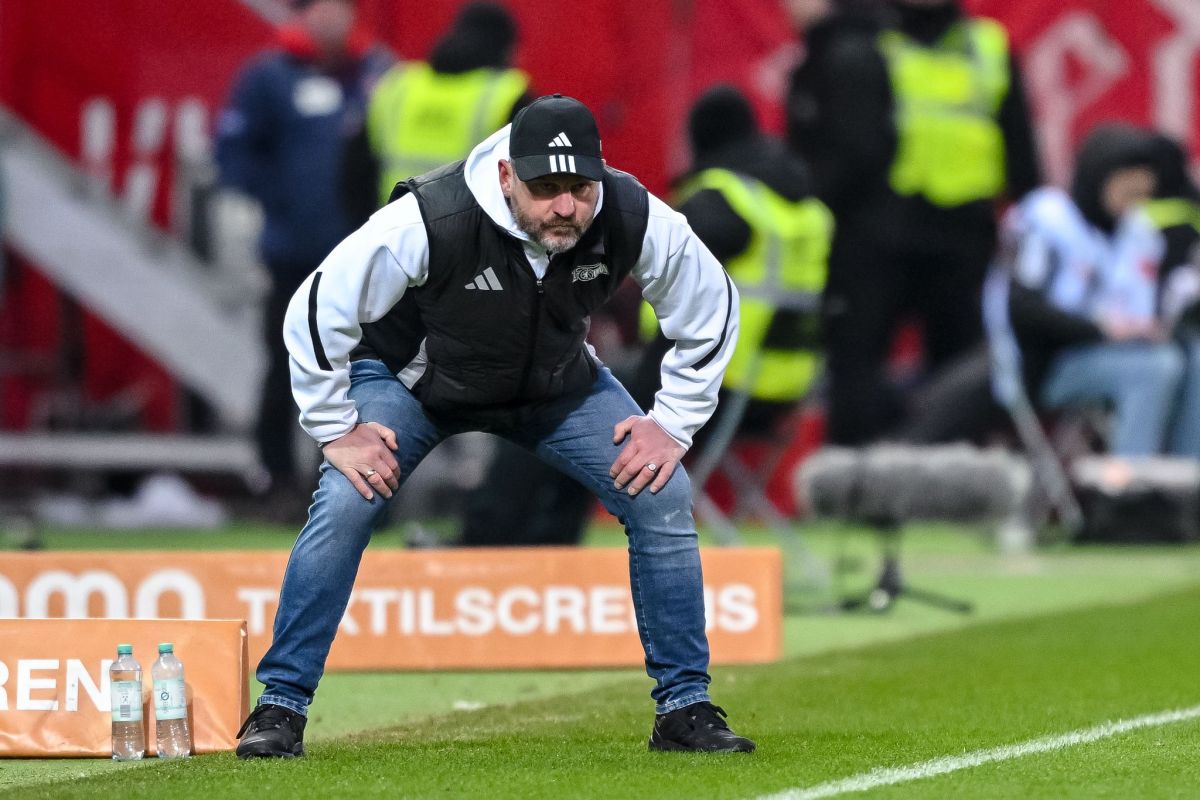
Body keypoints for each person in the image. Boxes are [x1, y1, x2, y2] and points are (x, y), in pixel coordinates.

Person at [233, 94, 754, 758]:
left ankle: (685, 710)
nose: (565, 206)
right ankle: (280, 707)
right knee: (344, 502)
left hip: (552, 387)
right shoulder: (430, 217)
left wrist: (673, 426)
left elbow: (712, 307)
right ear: (507, 176)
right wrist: (335, 429)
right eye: (545, 188)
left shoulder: (633, 213)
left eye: (579, 188)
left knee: (662, 492)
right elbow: (314, 308)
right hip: (412, 385)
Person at [788, 0, 1041, 446]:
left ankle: (950, 489)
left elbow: (1021, 157)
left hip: (963, 242)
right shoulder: (859, 41)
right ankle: (850, 491)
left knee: (959, 378)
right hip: (876, 237)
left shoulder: (989, 46)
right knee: (857, 370)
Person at [216, 0, 392, 518]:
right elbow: (233, 155)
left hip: (367, 261)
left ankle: (360, 489)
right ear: (301, 15)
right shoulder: (268, 78)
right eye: (321, 8)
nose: (332, 19)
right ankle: (278, 483)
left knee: (367, 373)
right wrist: (287, 202)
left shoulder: (378, 76)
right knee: (285, 369)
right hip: (295, 257)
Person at [637, 85, 831, 452]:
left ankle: (519, 508)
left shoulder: (720, 200)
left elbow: (669, 295)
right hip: (789, 391)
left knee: (573, 394)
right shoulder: (808, 206)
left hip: (708, 389)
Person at [1000, 123, 1200, 458]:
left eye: (1141, 195)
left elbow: (1141, 307)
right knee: (1155, 369)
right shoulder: (1049, 219)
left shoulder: (1139, 233)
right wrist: (1101, 329)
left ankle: (1184, 487)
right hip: (1045, 362)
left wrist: (1152, 328)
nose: (1133, 204)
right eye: (1126, 192)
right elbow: (1021, 307)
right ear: (1099, 179)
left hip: (1114, 353)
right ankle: (1129, 490)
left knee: (1194, 356)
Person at [348, 1, 532, 218]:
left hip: (396, 233)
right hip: (468, 239)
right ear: (508, 49)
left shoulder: (396, 87)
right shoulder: (508, 95)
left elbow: (355, 173)